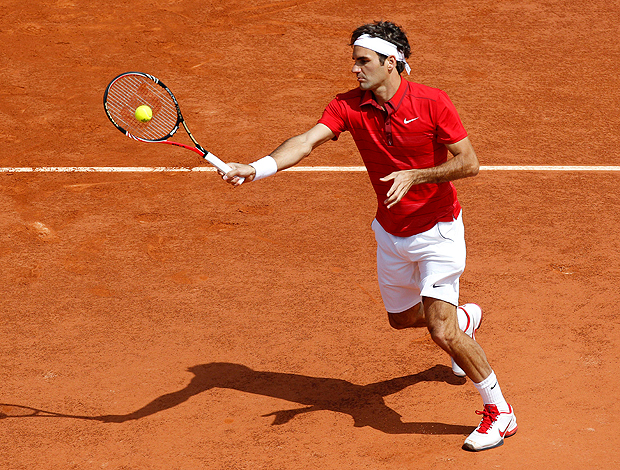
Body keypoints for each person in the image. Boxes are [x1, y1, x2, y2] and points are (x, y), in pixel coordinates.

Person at [222, 20, 517, 452]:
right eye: (354, 62)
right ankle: (466, 318)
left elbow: (469, 163)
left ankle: (499, 412)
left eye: (364, 61)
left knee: (441, 331)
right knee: (401, 320)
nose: (356, 69)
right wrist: (257, 167)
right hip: (390, 233)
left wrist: (417, 175)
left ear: (391, 61)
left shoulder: (432, 102)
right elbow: (305, 141)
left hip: (439, 231)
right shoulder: (348, 106)